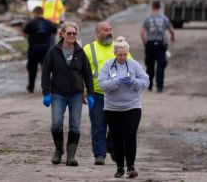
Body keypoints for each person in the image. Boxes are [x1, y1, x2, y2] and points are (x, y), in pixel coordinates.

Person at [41, 22, 93, 167]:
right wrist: (46, 92)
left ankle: (71, 156)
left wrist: (91, 94)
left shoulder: (80, 52)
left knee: (75, 125)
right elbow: (45, 73)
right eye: (69, 33)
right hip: (58, 93)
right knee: (56, 124)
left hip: (76, 94)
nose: (71, 36)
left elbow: (87, 74)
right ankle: (59, 150)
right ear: (62, 34)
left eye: (74, 34)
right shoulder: (53, 51)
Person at [98, 40, 149, 179]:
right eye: (120, 55)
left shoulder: (134, 65)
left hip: (132, 106)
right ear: (114, 53)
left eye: (125, 55)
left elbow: (146, 82)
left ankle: (131, 166)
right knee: (117, 138)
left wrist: (133, 81)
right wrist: (117, 81)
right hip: (112, 108)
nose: (122, 57)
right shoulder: (108, 65)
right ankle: (120, 167)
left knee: (130, 135)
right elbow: (102, 85)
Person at [83, 21, 116, 165]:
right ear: (98, 33)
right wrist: (83, 89)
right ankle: (99, 154)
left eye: (110, 29)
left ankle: (111, 146)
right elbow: (81, 71)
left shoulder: (118, 47)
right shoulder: (88, 49)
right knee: (98, 124)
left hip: (116, 94)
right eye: (105, 30)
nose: (109, 32)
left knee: (117, 125)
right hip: (96, 93)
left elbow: (131, 65)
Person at [140, 0, 175, 93]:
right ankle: (159, 87)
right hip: (161, 44)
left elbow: (142, 33)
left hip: (150, 44)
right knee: (160, 66)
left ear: (152, 7)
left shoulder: (148, 19)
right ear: (160, 7)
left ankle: (149, 86)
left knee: (149, 66)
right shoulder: (164, 19)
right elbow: (171, 30)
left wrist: (145, 43)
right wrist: (172, 38)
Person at [23, 6, 57, 93]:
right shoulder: (49, 23)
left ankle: (31, 87)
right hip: (45, 48)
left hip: (33, 49)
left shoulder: (31, 23)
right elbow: (55, 31)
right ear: (42, 12)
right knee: (46, 69)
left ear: (34, 13)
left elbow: (24, 33)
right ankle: (47, 88)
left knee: (32, 69)